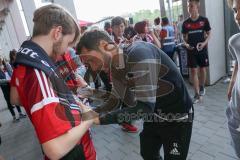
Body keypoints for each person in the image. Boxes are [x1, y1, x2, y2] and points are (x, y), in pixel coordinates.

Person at [77, 30, 194, 160]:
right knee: (148, 153)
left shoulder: (138, 53)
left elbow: (144, 108)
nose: (93, 68)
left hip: (177, 117)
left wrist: (100, 119)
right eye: (88, 64)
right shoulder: (115, 67)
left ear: (103, 44)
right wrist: (92, 112)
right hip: (154, 115)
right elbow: (115, 100)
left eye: (92, 60)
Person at [10, 4, 98, 160]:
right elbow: (54, 149)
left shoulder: (25, 59)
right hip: (74, 151)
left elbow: (15, 98)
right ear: (57, 33)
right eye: (68, 43)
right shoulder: (38, 72)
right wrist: (88, 119)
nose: (66, 51)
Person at [182, 0, 211, 103]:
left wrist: (204, 43)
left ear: (197, 6)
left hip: (202, 50)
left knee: (203, 69)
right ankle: (197, 94)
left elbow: (209, 33)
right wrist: (186, 44)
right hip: (191, 51)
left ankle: (202, 86)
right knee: (194, 71)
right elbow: (184, 37)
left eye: (191, 6)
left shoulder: (204, 20)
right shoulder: (185, 23)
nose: (189, 8)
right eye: (188, 6)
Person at [226, 0, 240, 158]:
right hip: (235, 115)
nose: (238, 16)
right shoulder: (235, 41)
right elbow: (237, 60)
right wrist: (231, 83)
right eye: (236, 10)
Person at [0, 57, 25, 122]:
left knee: (15, 98)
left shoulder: (6, 65)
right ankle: (14, 117)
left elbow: (11, 72)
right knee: (9, 102)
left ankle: (20, 113)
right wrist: (6, 80)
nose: (1, 61)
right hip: (5, 87)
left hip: (10, 84)